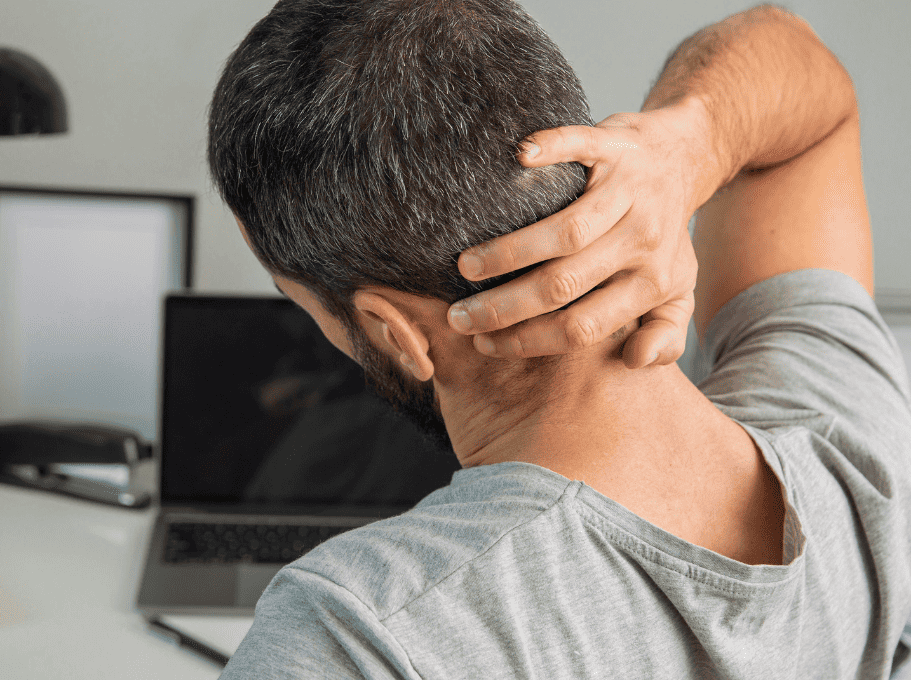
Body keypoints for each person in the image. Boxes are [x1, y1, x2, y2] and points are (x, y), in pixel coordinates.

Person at [207, 0, 911, 676]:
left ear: (395, 333)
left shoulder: (363, 634)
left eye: (303, 304)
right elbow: (801, 75)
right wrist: (687, 147)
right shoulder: (848, 433)